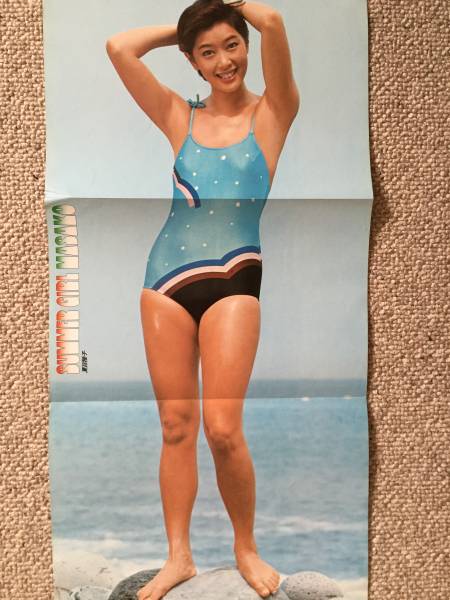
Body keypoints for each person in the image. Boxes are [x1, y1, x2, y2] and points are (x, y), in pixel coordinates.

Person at [106, 1, 299, 598]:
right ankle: (179, 557)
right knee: (175, 425)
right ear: (192, 61)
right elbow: (119, 48)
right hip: (164, 281)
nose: (223, 61)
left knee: (222, 427)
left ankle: (246, 548)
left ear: (246, 45)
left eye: (231, 45)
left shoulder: (274, 111)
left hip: (235, 278)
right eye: (207, 53)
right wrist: (186, 32)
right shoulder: (178, 116)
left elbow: (274, 24)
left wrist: (233, 12)